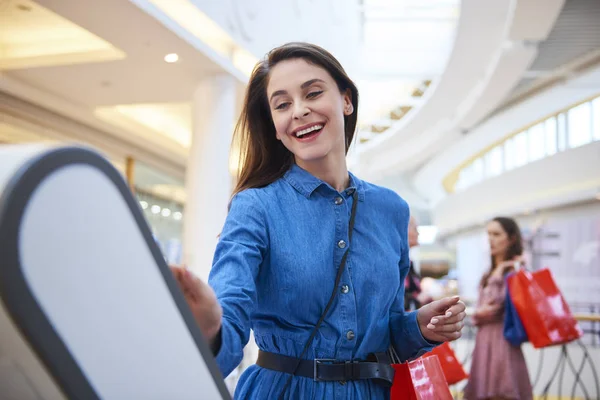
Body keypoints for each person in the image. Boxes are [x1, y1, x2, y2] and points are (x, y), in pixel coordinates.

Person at [171, 42, 466, 399]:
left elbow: (384, 332)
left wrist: (419, 327)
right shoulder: (255, 207)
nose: (299, 111)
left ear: (346, 100)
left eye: (312, 93)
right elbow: (230, 312)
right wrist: (211, 326)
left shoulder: (392, 210)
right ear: (275, 127)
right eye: (282, 104)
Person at [464, 217, 533, 400]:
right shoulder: (491, 271)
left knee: (501, 391)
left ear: (511, 238)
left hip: (502, 341)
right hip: (485, 341)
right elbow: (482, 311)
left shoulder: (515, 271)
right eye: (488, 234)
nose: (490, 239)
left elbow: (494, 307)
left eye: (496, 234)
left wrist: (499, 272)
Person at [404, 216, 433, 311]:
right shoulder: (398, 265)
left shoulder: (408, 263)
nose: (418, 233)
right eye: (415, 229)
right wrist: (417, 299)